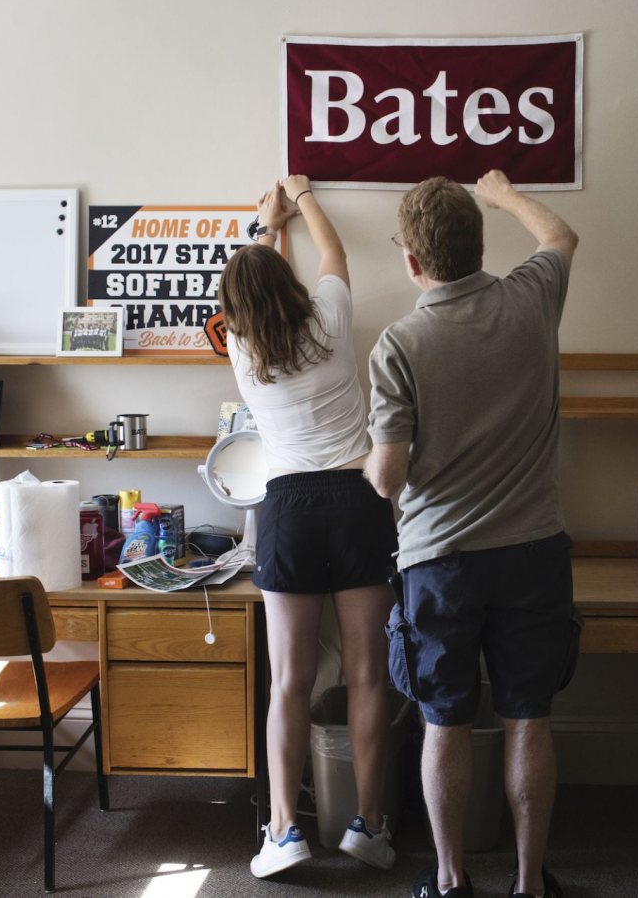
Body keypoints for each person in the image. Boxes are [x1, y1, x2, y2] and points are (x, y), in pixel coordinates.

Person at [366, 170, 580, 898]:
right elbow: (560, 236)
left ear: (412, 262)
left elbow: (388, 479)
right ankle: (529, 885)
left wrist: (372, 460)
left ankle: (452, 881)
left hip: (442, 565)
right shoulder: (531, 298)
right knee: (529, 719)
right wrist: (505, 193)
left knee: (444, 724)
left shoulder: (399, 344)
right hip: (534, 553)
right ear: (480, 245)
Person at [218, 174, 400, 879]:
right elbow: (333, 253)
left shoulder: (243, 354)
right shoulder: (330, 315)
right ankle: (371, 826)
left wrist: (264, 228)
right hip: (358, 500)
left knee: (289, 681)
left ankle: (286, 831)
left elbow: (256, 292)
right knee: (366, 677)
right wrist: (299, 200)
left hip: (288, 508)